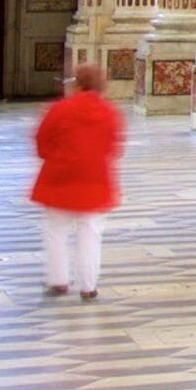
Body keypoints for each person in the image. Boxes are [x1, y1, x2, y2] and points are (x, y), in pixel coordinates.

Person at [32, 63, 125, 300]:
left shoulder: (60, 109)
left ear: (77, 83)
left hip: (59, 178)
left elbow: (42, 141)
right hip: (94, 180)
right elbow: (113, 147)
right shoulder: (109, 112)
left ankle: (58, 280)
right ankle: (88, 286)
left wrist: (54, 157)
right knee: (91, 234)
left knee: (56, 231)